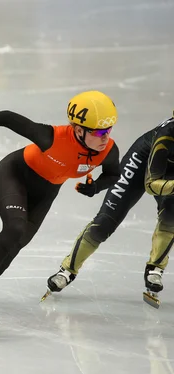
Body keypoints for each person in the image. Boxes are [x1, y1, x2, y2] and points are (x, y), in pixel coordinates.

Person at [0, 90, 120, 323]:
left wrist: (96, 187)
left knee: (15, 244)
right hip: (15, 174)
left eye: (108, 130)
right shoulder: (51, 137)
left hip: (45, 192)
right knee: (14, 229)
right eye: (98, 131)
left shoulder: (108, 150)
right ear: (78, 129)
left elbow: (113, 174)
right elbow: (6, 117)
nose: (105, 137)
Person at [45, 116, 174, 304]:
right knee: (106, 220)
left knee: (171, 216)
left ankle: (155, 269)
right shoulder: (166, 137)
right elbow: (151, 185)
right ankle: (67, 270)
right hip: (143, 163)